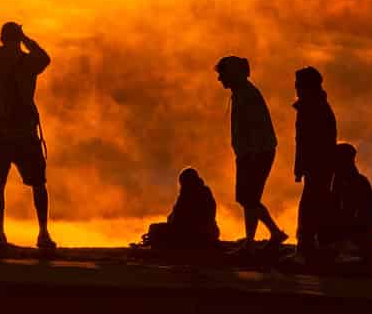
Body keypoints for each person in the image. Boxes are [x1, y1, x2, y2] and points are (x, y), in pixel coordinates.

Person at [0, 22, 53, 255]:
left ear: (1, 39)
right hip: (23, 133)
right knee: (38, 184)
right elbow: (44, 57)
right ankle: (43, 233)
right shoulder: (26, 63)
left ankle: (0, 235)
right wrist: (26, 38)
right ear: (16, 38)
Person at [214, 56, 285, 247]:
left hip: (256, 153)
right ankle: (265, 235)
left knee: (249, 197)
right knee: (248, 198)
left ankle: (257, 238)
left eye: (222, 73)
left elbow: (255, 127)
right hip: (251, 152)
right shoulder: (242, 93)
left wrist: (251, 155)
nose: (220, 78)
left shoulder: (247, 94)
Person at [292, 67, 336, 258]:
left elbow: (305, 141)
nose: (295, 87)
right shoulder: (315, 105)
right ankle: (311, 243)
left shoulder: (312, 107)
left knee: (312, 202)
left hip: (318, 164)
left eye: (299, 84)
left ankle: (307, 244)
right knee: (315, 201)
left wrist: (299, 166)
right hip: (319, 164)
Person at [141, 169, 221, 252]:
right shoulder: (206, 192)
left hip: (193, 234)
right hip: (210, 232)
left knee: (155, 228)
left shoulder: (187, 195)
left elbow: (176, 219)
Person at [328, 143, 372, 256]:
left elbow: (354, 212)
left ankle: (347, 245)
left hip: (353, 230)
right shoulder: (356, 180)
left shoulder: (351, 182)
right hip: (356, 230)